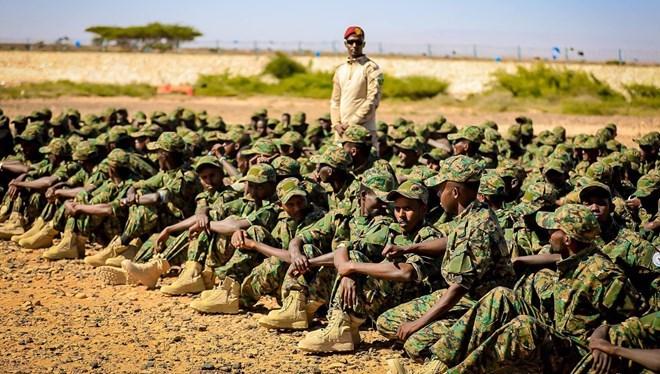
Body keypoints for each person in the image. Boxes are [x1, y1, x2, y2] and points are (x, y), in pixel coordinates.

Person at [330, 26, 383, 148]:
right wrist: (336, 124)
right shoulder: (340, 70)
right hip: (341, 133)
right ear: (345, 44)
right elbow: (335, 101)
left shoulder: (372, 68)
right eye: (350, 42)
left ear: (363, 44)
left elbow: (373, 100)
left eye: (358, 42)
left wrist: (351, 123)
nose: (354, 45)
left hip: (363, 132)